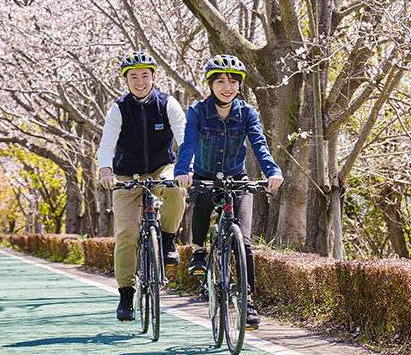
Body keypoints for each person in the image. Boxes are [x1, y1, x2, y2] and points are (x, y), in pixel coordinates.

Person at [174, 54, 283, 330]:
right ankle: (199, 251)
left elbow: (259, 143)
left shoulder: (247, 113)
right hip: (204, 176)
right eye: (220, 81)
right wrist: (182, 171)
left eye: (233, 81)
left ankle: (247, 301)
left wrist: (272, 171)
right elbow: (187, 144)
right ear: (210, 84)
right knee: (203, 201)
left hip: (237, 178)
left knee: (243, 241)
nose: (227, 87)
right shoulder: (198, 111)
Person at [96, 51, 188, 322]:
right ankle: (126, 293)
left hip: (162, 167)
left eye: (144, 76)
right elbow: (106, 144)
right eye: (133, 77)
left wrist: (186, 168)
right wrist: (105, 170)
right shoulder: (119, 108)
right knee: (126, 234)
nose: (139, 81)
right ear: (126, 80)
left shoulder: (167, 104)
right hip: (126, 175)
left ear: (153, 77)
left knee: (175, 189)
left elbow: (184, 138)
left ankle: (169, 240)